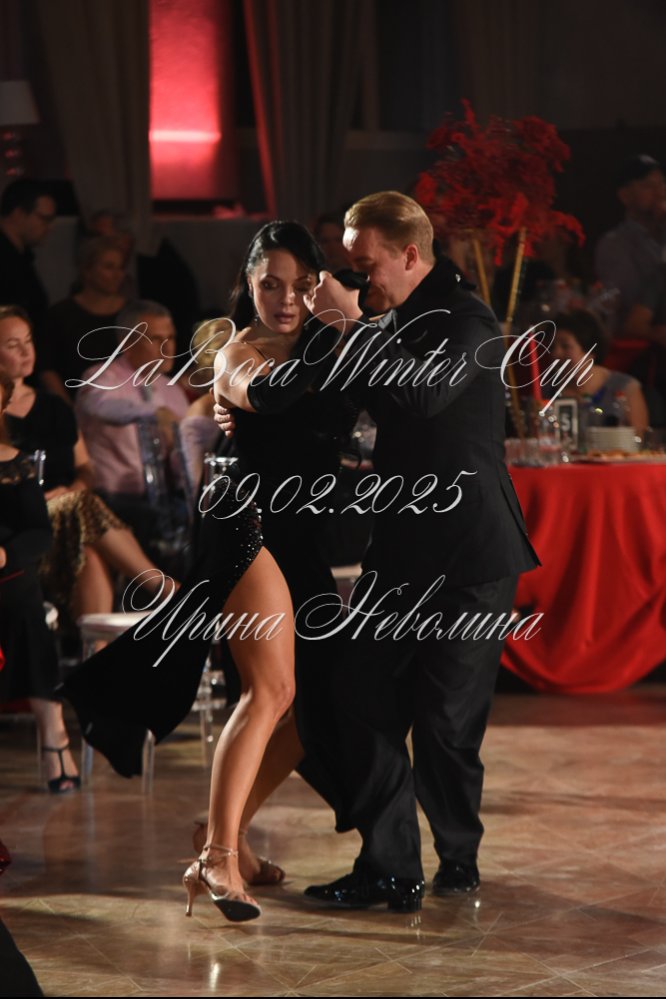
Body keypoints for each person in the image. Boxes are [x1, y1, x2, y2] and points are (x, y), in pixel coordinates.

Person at [61, 220, 352, 917]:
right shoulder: (237, 351)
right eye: (271, 284)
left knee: (315, 707)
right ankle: (217, 859)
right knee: (271, 689)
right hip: (244, 523)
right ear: (248, 285)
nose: (286, 298)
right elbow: (272, 397)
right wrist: (344, 328)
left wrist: (347, 335)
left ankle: (226, 834)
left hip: (300, 532)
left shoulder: (325, 343)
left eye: (301, 285)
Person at [274, 191, 539, 910]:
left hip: (470, 554)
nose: (358, 281)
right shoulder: (385, 321)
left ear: (411, 253)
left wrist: (349, 323)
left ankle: (458, 856)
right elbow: (337, 407)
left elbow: (421, 395)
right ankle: (389, 865)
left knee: (446, 723)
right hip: (398, 548)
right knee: (357, 695)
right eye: (353, 268)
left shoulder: (469, 319)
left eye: (367, 266)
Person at [0, 305, 173, 622]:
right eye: (13, 345)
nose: (26, 352)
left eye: (29, 341)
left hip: (67, 514)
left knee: (89, 547)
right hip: (23, 522)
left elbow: (86, 471)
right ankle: (167, 590)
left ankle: (95, 647)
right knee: (82, 509)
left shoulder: (54, 406)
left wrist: (70, 491)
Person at [0, 366, 80, 793]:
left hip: (7, 572)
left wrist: (4, 553)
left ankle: (54, 735)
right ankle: (54, 736)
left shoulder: (15, 463)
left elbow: (39, 534)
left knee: (24, 601)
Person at [74, 300, 189, 549]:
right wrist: (154, 412)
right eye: (156, 339)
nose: (168, 347)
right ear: (127, 343)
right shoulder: (101, 376)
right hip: (111, 499)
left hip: (162, 499)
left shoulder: (171, 390)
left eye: (171, 337)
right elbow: (102, 407)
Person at [38, 236, 128, 403]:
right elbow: (47, 368)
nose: (118, 275)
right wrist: (69, 409)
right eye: (109, 267)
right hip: (74, 403)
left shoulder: (132, 313)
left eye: (121, 267)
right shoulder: (61, 314)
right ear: (87, 270)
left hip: (128, 405)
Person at [595, 154, 666, 345]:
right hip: (639, 350)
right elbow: (633, 300)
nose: (660, 192)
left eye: (662, 183)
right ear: (625, 196)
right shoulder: (615, 244)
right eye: (648, 185)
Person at [550, 310, 649, 437]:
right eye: (552, 347)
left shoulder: (625, 387)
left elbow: (639, 439)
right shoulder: (548, 391)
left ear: (590, 350)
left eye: (565, 346)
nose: (556, 354)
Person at [0, 179, 55, 331]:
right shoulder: (7, 260)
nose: (50, 228)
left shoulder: (22, 258)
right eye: (44, 219)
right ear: (18, 214)